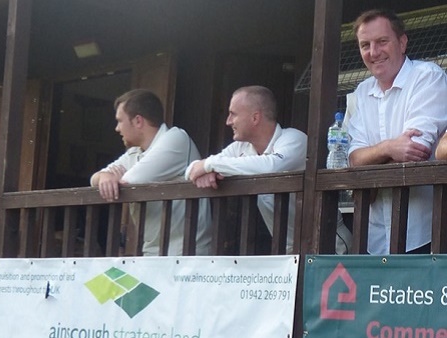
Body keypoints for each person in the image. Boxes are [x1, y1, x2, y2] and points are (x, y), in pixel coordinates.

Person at [185, 85, 352, 254]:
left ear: (255, 118)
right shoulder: (240, 147)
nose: (228, 121)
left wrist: (210, 165)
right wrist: (205, 167)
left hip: (329, 243)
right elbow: (191, 171)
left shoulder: (294, 139)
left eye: (233, 114)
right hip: (288, 249)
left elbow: (271, 166)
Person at [347, 9, 447, 254]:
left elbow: (417, 150)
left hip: (424, 232)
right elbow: (353, 159)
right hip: (374, 236)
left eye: (382, 42)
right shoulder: (361, 91)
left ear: (402, 43)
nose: (373, 52)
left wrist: (370, 157)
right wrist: (389, 148)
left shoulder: (427, 76)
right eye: (365, 45)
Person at [90, 89, 212, 256]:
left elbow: (131, 181)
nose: (117, 128)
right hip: (154, 252)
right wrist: (105, 176)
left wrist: (115, 178)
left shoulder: (176, 138)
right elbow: (94, 178)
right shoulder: (135, 152)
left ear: (138, 121)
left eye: (120, 121)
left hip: (187, 254)